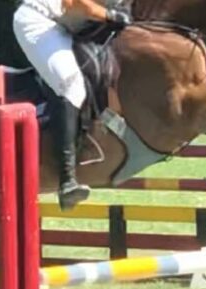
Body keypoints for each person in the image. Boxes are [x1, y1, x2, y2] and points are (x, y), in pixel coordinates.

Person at [13, 0, 132, 209]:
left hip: (66, 25)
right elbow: (73, 3)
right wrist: (110, 16)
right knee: (71, 86)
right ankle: (67, 180)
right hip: (39, 21)